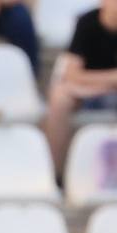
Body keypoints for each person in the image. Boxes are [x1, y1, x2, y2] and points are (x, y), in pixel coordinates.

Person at [43, 0, 117, 172]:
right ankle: (55, 172)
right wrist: (110, 79)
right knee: (59, 97)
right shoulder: (87, 22)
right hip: (90, 90)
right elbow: (71, 74)